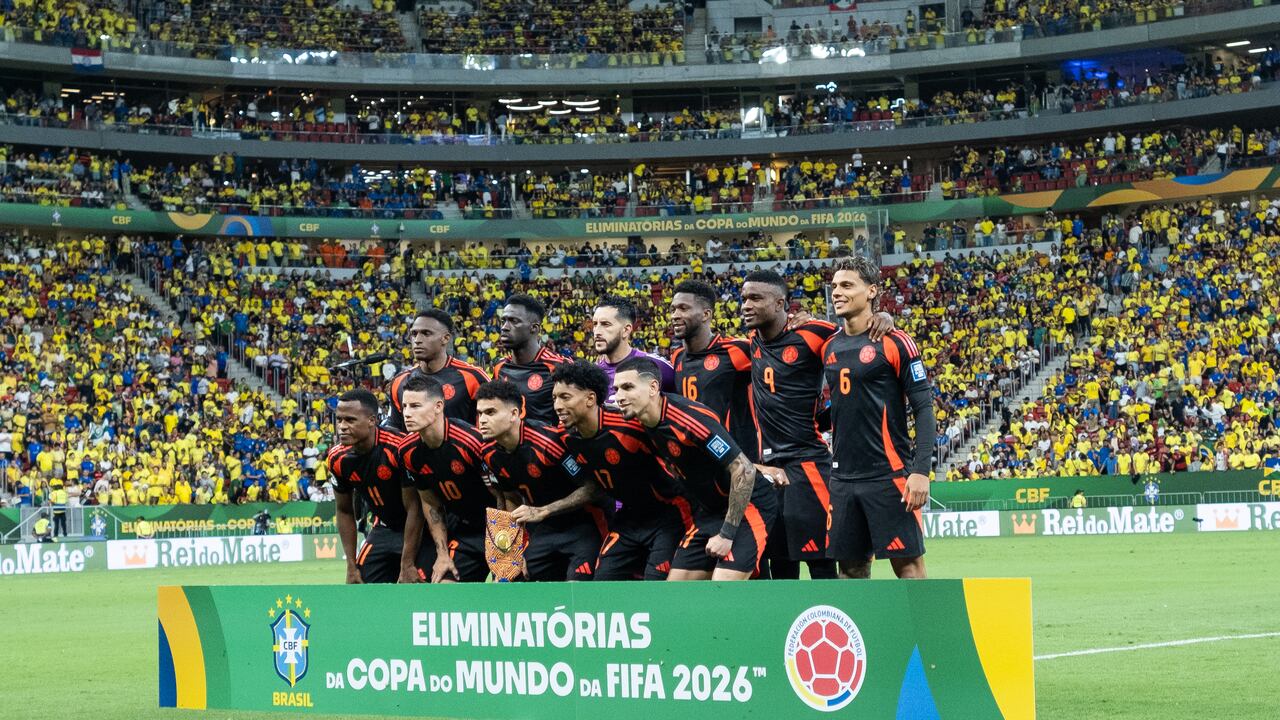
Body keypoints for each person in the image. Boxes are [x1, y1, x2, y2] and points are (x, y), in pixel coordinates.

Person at [613, 357, 777, 581]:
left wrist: (727, 535)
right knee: (677, 592)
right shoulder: (641, 420)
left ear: (653, 388)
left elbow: (744, 470)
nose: (619, 396)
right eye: (616, 389)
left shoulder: (689, 420)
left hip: (748, 504)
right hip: (708, 511)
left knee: (722, 585)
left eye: (627, 387)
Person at [823, 255, 936, 580]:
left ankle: (922, 633)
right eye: (834, 286)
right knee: (851, 570)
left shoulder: (896, 342)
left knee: (909, 567)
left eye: (847, 285)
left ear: (872, 291)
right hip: (842, 479)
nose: (837, 293)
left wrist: (921, 472)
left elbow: (924, 408)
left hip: (889, 476)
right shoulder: (829, 346)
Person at [741, 269, 840, 579]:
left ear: (780, 303)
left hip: (807, 465)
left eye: (756, 298)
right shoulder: (752, 341)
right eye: (744, 298)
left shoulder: (814, 332)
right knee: (781, 566)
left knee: (822, 564)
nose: (746, 305)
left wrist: (884, 319)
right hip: (767, 469)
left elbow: (858, 341)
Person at [552, 361, 689, 580]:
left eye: (565, 397)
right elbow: (595, 485)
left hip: (669, 514)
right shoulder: (565, 434)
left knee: (659, 587)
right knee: (603, 584)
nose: (557, 405)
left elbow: (679, 461)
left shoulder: (631, 425)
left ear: (590, 399)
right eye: (554, 398)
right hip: (629, 517)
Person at [475, 380, 605, 581]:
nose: (482, 420)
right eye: (480, 413)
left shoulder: (549, 442)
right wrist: (510, 552)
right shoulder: (488, 453)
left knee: (577, 592)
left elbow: (593, 489)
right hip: (544, 531)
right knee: (513, 581)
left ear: (514, 414)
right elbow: (511, 499)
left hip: (584, 525)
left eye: (490, 412)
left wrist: (545, 510)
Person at [396, 374, 497, 583]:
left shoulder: (472, 442)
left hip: (497, 528)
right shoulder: (407, 451)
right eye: (404, 406)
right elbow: (430, 503)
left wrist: (508, 548)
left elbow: (504, 496)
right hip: (465, 532)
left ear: (438, 406)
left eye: (415, 406)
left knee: (509, 593)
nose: (407, 413)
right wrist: (442, 554)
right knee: (443, 586)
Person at [328, 389, 427, 584]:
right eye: (339, 420)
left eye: (350, 420)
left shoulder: (398, 448)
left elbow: (414, 508)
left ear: (372, 420)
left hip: (419, 529)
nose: (342, 427)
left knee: (420, 585)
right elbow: (344, 510)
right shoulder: (337, 458)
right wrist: (350, 564)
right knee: (359, 587)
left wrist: (406, 563)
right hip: (384, 528)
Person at [385, 309, 491, 428]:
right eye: (414, 334)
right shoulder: (399, 381)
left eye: (426, 333)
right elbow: (396, 432)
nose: (417, 340)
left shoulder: (473, 377)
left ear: (445, 338)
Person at [492, 294, 573, 425]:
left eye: (514, 321)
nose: (504, 327)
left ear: (534, 328)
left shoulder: (559, 367)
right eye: (504, 321)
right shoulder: (500, 367)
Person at [593, 295, 675, 403]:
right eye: (595, 324)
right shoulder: (593, 374)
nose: (597, 332)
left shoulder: (656, 365)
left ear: (626, 330)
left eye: (605, 324)